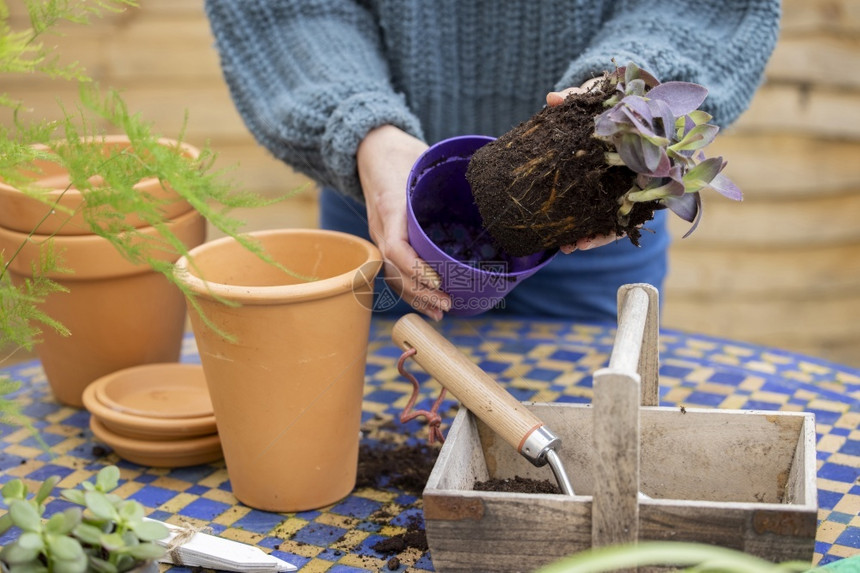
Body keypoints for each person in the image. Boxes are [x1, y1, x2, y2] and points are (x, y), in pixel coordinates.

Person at [203, 0, 780, 322]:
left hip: (581, 226)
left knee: (578, 440)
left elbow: (709, 10)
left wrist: (622, 107)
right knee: (378, 434)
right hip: (384, 202)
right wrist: (363, 124)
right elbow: (287, 12)